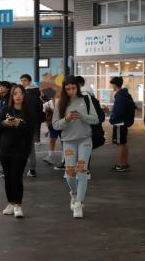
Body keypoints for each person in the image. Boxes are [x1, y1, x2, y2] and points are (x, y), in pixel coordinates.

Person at [52, 75, 99, 218]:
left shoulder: (86, 99)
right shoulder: (59, 103)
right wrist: (66, 119)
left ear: (77, 87)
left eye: (73, 88)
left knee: (82, 170)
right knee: (70, 173)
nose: (71, 91)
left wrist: (83, 117)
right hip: (68, 141)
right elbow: (55, 125)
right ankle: (73, 193)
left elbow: (96, 119)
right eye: (67, 89)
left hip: (85, 139)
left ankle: (79, 203)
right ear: (64, 89)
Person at [0, 84, 34, 218]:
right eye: (15, 93)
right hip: (5, 149)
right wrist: (6, 123)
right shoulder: (6, 109)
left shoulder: (28, 111)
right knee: (7, 177)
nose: (18, 96)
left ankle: (18, 205)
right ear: (12, 96)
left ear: (24, 95)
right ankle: (10, 203)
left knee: (17, 177)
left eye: (20, 93)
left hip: (21, 150)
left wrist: (20, 124)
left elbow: (31, 130)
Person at [20, 74, 43, 177]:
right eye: (21, 81)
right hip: (33, 122)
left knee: (25, 146)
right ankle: (31, 169)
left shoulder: (28, 93)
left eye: (24, 81)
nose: (22, 83)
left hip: (26, 123)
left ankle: (28, 168)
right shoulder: (36, 92)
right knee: (29, 146)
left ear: (29, 81)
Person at [109, 76, 135, 172]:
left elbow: (119, 111)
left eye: (112, 84)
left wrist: (112, 119)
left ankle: (120, 165)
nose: (111, 86)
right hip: (124, 123)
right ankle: (124, 163)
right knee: (123, 143)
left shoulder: (120, 96)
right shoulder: (125, 94)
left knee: (119, 143)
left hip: (119, 123)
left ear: (115, 84)